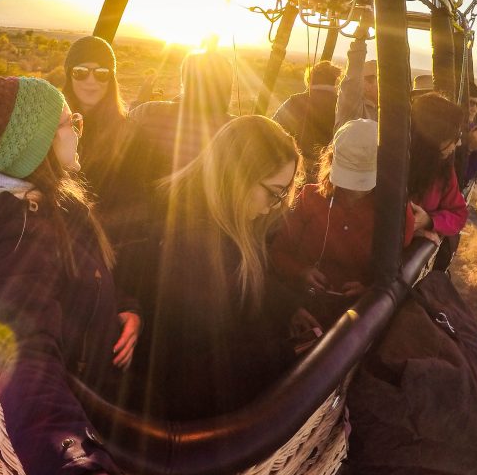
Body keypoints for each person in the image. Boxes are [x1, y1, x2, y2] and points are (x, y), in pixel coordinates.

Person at [0, 76, 155, 475]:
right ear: (35, 145)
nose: (79, 130)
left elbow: (86, 269)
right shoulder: (23, 236)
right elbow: (24, 355)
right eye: (71, 123)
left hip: (97, 357)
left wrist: (125, 306)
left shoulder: (41, 199)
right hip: (87, 397)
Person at [119, 115, 304, 420]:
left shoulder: (209, 218)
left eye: (284, 193)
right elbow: (206, 367)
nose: (277, 204)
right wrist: (291, 353)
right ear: (237, 177)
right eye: (274, 192)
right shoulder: (197, 248)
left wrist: (289, 307)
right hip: (181, 415)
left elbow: (244, 287)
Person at [269, 119, 420, 328]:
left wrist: (370, 290)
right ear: (331, 162)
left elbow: (399, 273)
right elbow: (278, 253)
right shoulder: (309, 198)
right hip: (299, 307)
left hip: (355, 323)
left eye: (363, 180)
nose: (355, 190)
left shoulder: (395, 216)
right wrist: (301, 272)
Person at [124, 49, 235, 184]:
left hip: (144, 198)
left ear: (185, 82)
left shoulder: (149, 111)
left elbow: (121, 136)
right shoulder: (236, 130)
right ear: (227, 87)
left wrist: (140, 102)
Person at [61, 36, 131, 209]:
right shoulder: (49, 127)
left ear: (111, 79)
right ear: (69, 75)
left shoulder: (131, 134)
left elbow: (135, 204)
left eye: (101, 73)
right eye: (81, 72)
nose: (91, 81)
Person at [409, 92, 470, 247]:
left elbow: (459, 214)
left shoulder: (444, 170)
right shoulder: (392, 165)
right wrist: (410, 232)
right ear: (434, 137)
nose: (459, 144)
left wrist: (429, 221)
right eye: (454, 137)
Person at [273, 60, 342, 180]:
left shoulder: (294, 101)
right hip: (329, 173)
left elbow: (274, 128)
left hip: (296, 169)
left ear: (309, 79)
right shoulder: (342, 106)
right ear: (335, 81)